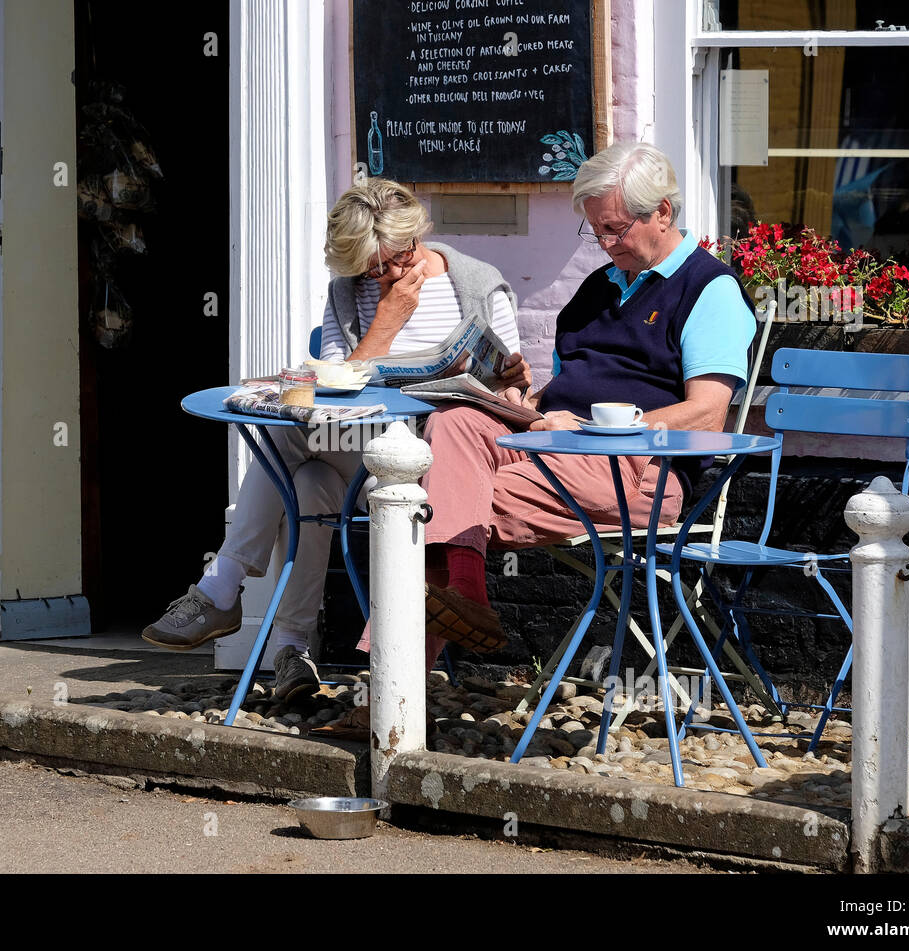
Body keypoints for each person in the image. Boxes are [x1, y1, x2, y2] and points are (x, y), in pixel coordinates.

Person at [142, 178, 528, 701]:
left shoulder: (477, 284)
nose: (391, 273)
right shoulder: (350, 292)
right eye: (375, 268)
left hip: (430, 468)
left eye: (400, 256)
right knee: (294, 442)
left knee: (307, 476)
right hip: (357, 450)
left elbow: (508, 397)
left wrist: (511, 383)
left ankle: (236, 603)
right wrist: (385, 325)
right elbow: (333, 387)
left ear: (420, 234)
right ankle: (272, 632)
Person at [417, 142, 756, 659]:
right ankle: (465, 595)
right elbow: (571, 385)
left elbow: (708, 414)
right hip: (555, 444)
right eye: (594, 229)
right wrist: (520, 396)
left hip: (641, 469)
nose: (603, 242)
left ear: (662, 212)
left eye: (615, 228)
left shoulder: (709, 290)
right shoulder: (595, 289)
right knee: (457, 421)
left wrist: (592, 431)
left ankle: (388, 698)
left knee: (420, 506)